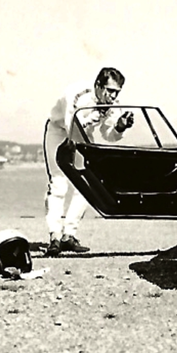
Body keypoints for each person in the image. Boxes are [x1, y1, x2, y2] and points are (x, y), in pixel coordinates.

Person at [43, 67, 134, 256]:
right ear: (98, 86)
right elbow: (72, 126)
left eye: (116, 92)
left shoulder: (112, 103)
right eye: (109, 91)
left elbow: (108, 135)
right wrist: (96, 116)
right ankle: (55, 236)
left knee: (86, 184)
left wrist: (119, 126)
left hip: (84, 135)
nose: (112, 97)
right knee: (59, 184)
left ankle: (69, 234)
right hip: (59, 132)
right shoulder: (77, 95)